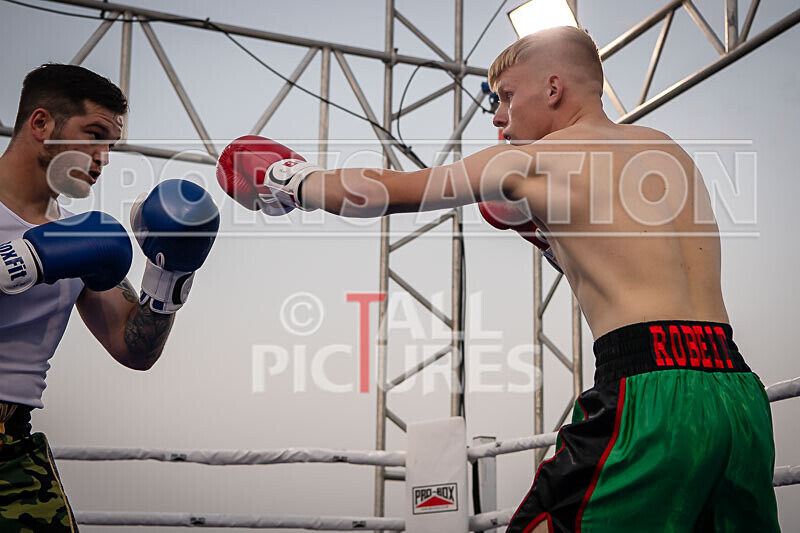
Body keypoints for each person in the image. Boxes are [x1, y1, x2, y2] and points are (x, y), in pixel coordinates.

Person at [217, 26, 780, 532]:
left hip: (649, 393)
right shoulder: (669, 152)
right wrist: (551, 239)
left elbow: (389, 190)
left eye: (507, 96)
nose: (497, 116)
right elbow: (638, 259)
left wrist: (288, 179)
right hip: (738, 396)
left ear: (553, 89)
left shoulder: (529, 163)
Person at [0, 63, 219, 532]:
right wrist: (16, 261)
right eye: (94, 134)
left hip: (12, 449)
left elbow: (134, 348)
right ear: (40, 124)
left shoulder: (84, 239)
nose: (102, 157)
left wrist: (170, 274)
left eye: (110, 145)